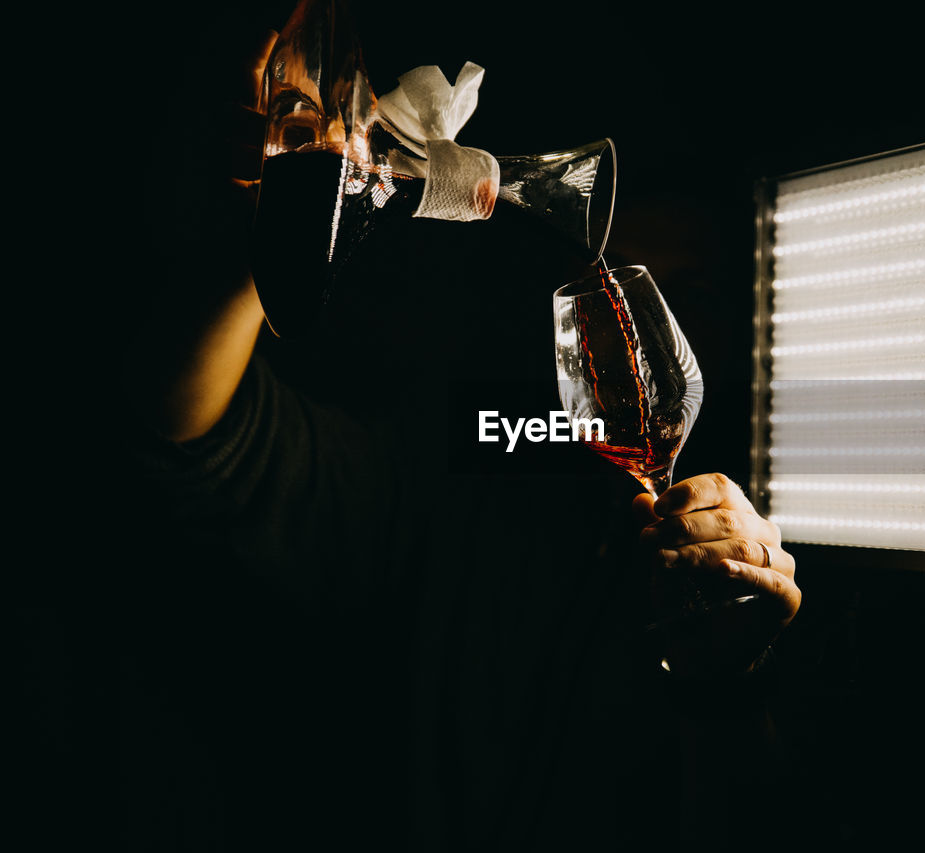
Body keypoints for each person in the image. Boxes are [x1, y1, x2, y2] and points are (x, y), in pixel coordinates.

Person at [117, 20, 801, 851]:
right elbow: (201, 446)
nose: (628, 340)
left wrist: (728, 681)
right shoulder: (469, 478)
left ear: (753, 317)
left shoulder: (777, 570)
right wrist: (269, 229)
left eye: (686, 290)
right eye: (612, 295)